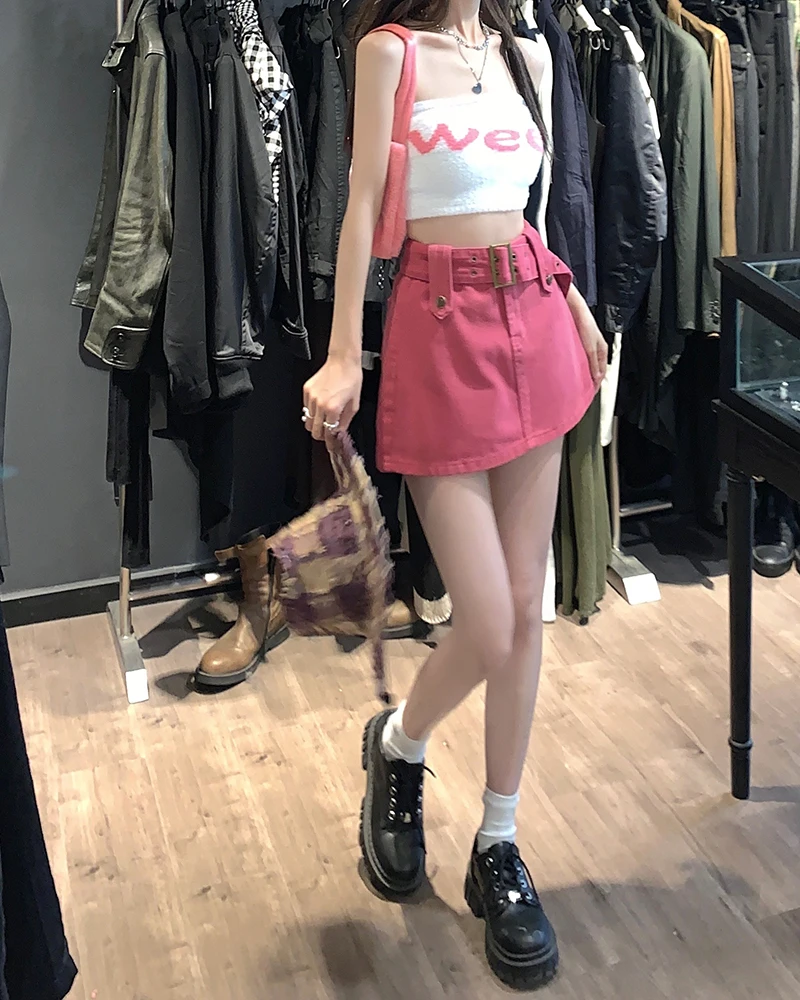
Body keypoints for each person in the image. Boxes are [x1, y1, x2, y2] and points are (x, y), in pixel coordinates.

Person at [302, 0, 607, 988]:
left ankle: (498, 841)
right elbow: (359, 205)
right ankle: (399, 743)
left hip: (536, 315)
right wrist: (343, 353)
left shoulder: (526, 54)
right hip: (436, 327)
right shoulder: (389, 53)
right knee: (489, 620)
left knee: (524, 608)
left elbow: (530, 212)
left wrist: (574, 299)